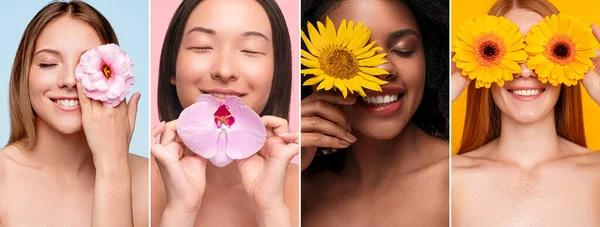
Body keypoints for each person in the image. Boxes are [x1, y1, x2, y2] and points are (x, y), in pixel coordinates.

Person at [300, 0, 450, 226]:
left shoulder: (462, 180)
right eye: (354, 54)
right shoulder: (298, 190)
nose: (383, 69)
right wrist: (287, 176)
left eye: (403, 50)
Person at [150, 0, 299, 226]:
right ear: (172, 66)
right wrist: (180, 210)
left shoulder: (307, 191)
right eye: (202, 46)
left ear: (277, 74)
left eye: (251, 50)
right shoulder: (137, 184)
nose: (224, 70)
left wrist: (271, 210)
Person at [451, 0, 600, 226]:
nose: (525, 71)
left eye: (538, 52)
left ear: (569, 62)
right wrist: (442, 91)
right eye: (509, 54)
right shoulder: (449, 178)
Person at [0, 1, 147, 226]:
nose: (69, 80)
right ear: (24, 75)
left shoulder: (151, 180)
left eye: (85, 64)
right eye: (48, 64)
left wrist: (113, 167)